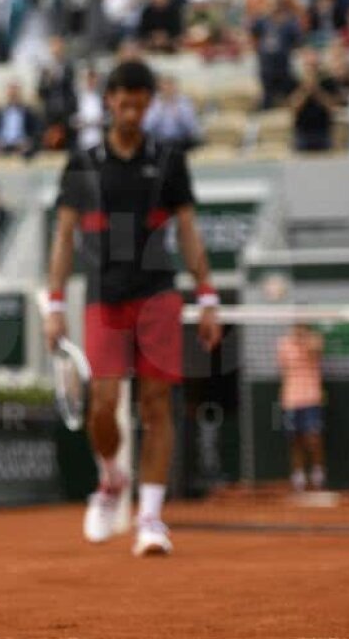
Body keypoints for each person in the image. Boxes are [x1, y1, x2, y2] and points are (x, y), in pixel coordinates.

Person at [45, 60, 221, 557]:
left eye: (139, 101)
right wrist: (53, 304)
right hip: (104, 297)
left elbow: (188, 230)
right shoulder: (82, 164)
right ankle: (113, 476)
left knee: (156, 405)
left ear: (147, 104)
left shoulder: (169, 161)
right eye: (122, 100)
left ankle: (151, 518)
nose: (130, 109)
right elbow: (62, 237)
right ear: (109, 103)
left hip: (158, 294)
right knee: (101, 404)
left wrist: (206, 294)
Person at [277, 324, 326, 492]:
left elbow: (316, 351)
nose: (298, 327)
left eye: (302, 324)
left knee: (313, 438)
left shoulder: (314, 340)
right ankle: (298, 477)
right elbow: (284, 368)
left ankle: (318, 474)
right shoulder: (284, 343)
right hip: (290, 400)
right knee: (294, 439)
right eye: (296, 325)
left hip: (311, 398)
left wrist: (304, 338)